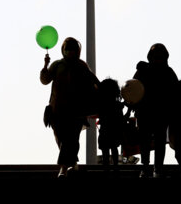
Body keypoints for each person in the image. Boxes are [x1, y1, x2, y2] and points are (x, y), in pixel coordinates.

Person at [40, 37, 100, 178]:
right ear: (63, 50)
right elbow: (45, 80)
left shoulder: (81, 66)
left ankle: (63, 168)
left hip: (76, 111)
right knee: (61, 138)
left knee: (71, 139)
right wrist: (45, 65)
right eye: (67, 49)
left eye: (72, 49)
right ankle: (72, 162)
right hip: (57, 110)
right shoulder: (58, 65)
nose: (70, 52)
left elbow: (94, 81)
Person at [132, 43, 179, 178]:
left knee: (153, 142)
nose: (158, 60)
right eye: (156, 57)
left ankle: (153, 169)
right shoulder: (166, 72)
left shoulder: (144, 71)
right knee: (150, 142)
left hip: (157, 113)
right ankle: (151, 169)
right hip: (152, 112)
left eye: (160, 57)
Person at [97, 78, 124, 168]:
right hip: (114, 131)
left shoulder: (101, 105)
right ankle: (115, 168)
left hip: (104, 130)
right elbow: (121, 119)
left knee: (105, 152)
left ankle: (106, 170)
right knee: (114, 149)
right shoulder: (118, 105)